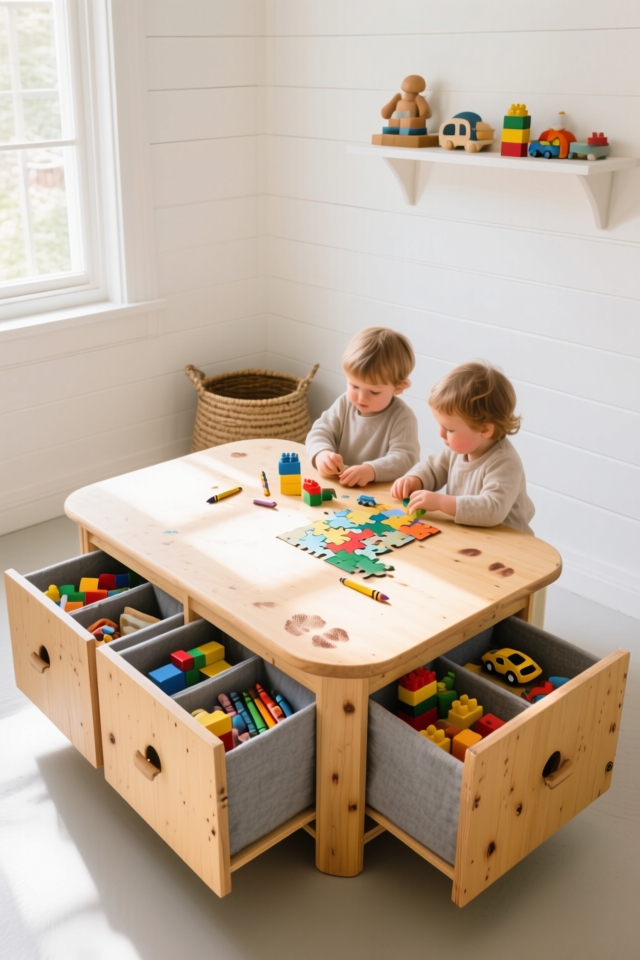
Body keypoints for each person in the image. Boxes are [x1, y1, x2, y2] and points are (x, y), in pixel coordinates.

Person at [391, 361, 535, 533]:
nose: (441, 434)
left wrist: (441, 502)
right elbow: (432, 468)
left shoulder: (505, 463)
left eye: (450, 429)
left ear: (485, 429)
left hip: (509, 545)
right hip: (471, 535)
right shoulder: (458, 449)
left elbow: (492, 509)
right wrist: (414, 479)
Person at [306, 327, 420, 487]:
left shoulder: (402, 417)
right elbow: (320, 431)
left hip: (380, 496)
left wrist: (371, 470)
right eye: (354, 386)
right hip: (340, 488)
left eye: (374, 391)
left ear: (398, 388)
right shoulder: (344, 403)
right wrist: (322, 454)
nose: (361, 397)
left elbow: (405, 458)